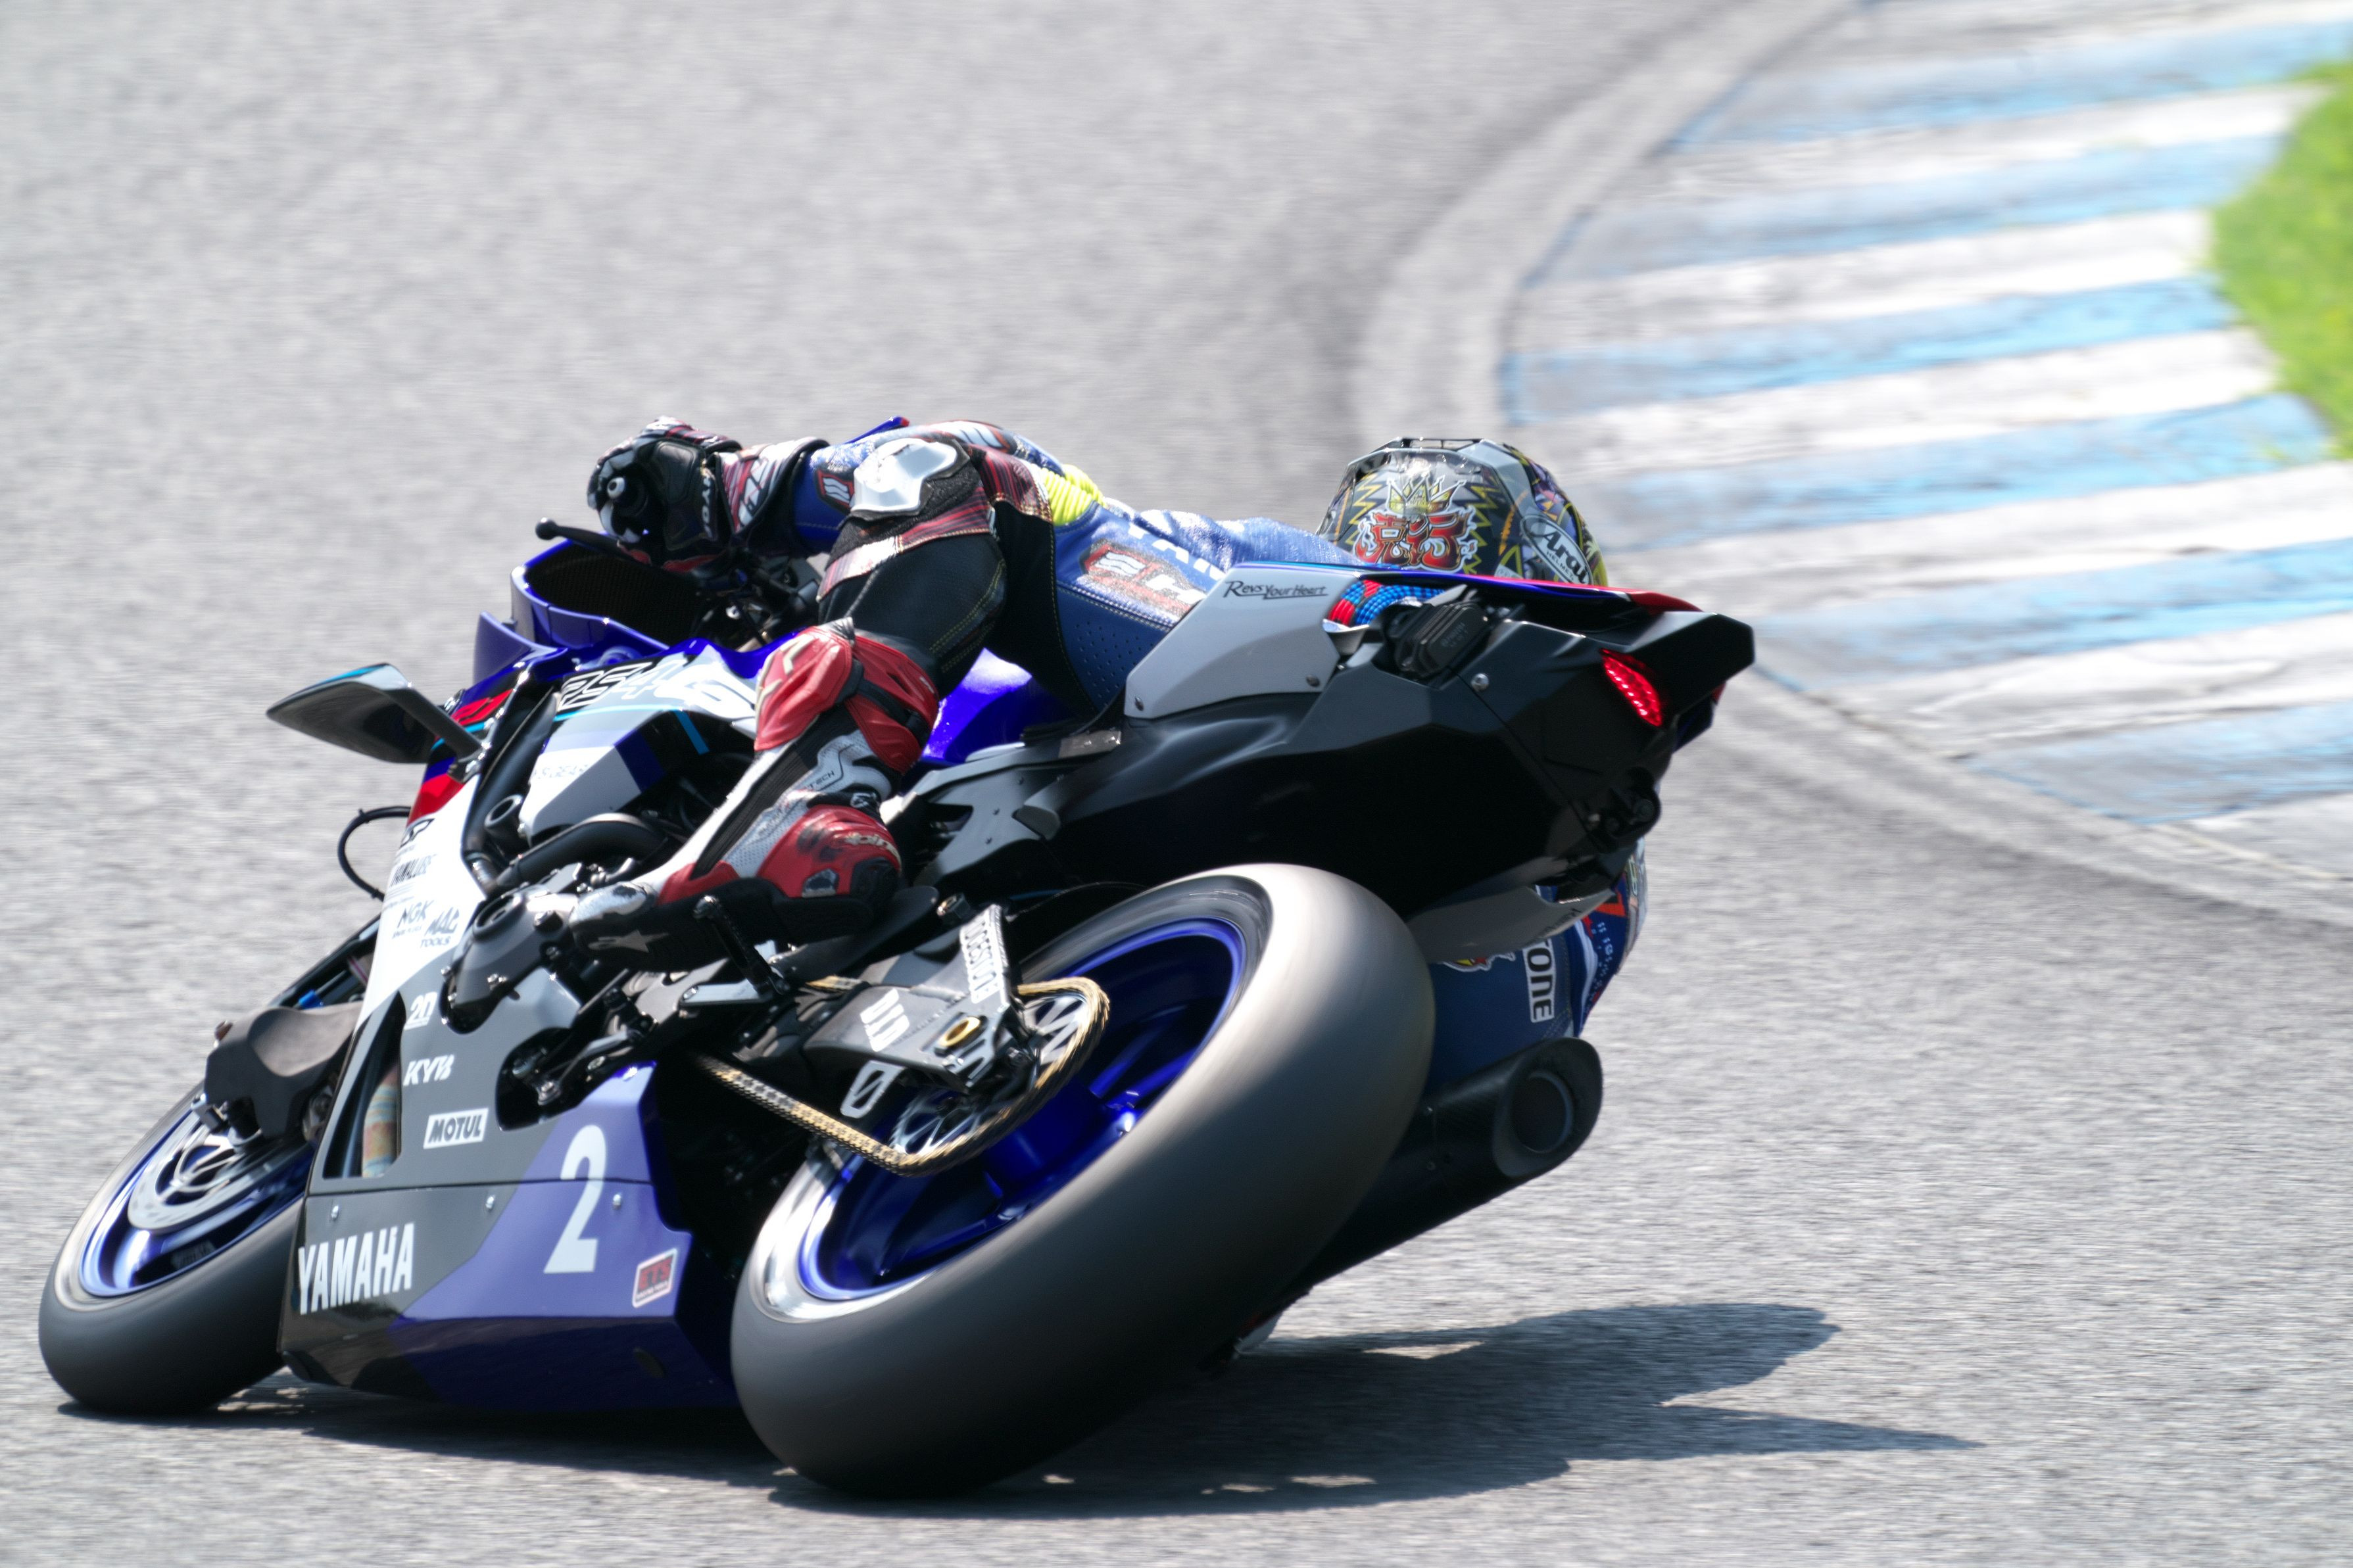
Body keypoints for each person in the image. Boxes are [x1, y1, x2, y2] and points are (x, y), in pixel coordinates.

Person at [568, 422, 1603, 965]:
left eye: (1437, 536)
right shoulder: (1596, 886)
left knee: (968, 468)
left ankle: (800, 781)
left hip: (1277, 695)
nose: (1403, 547)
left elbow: (1087, 517)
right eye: (1389, 530)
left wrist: (734, 497)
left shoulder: (1288, 563)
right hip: (1340, 988)